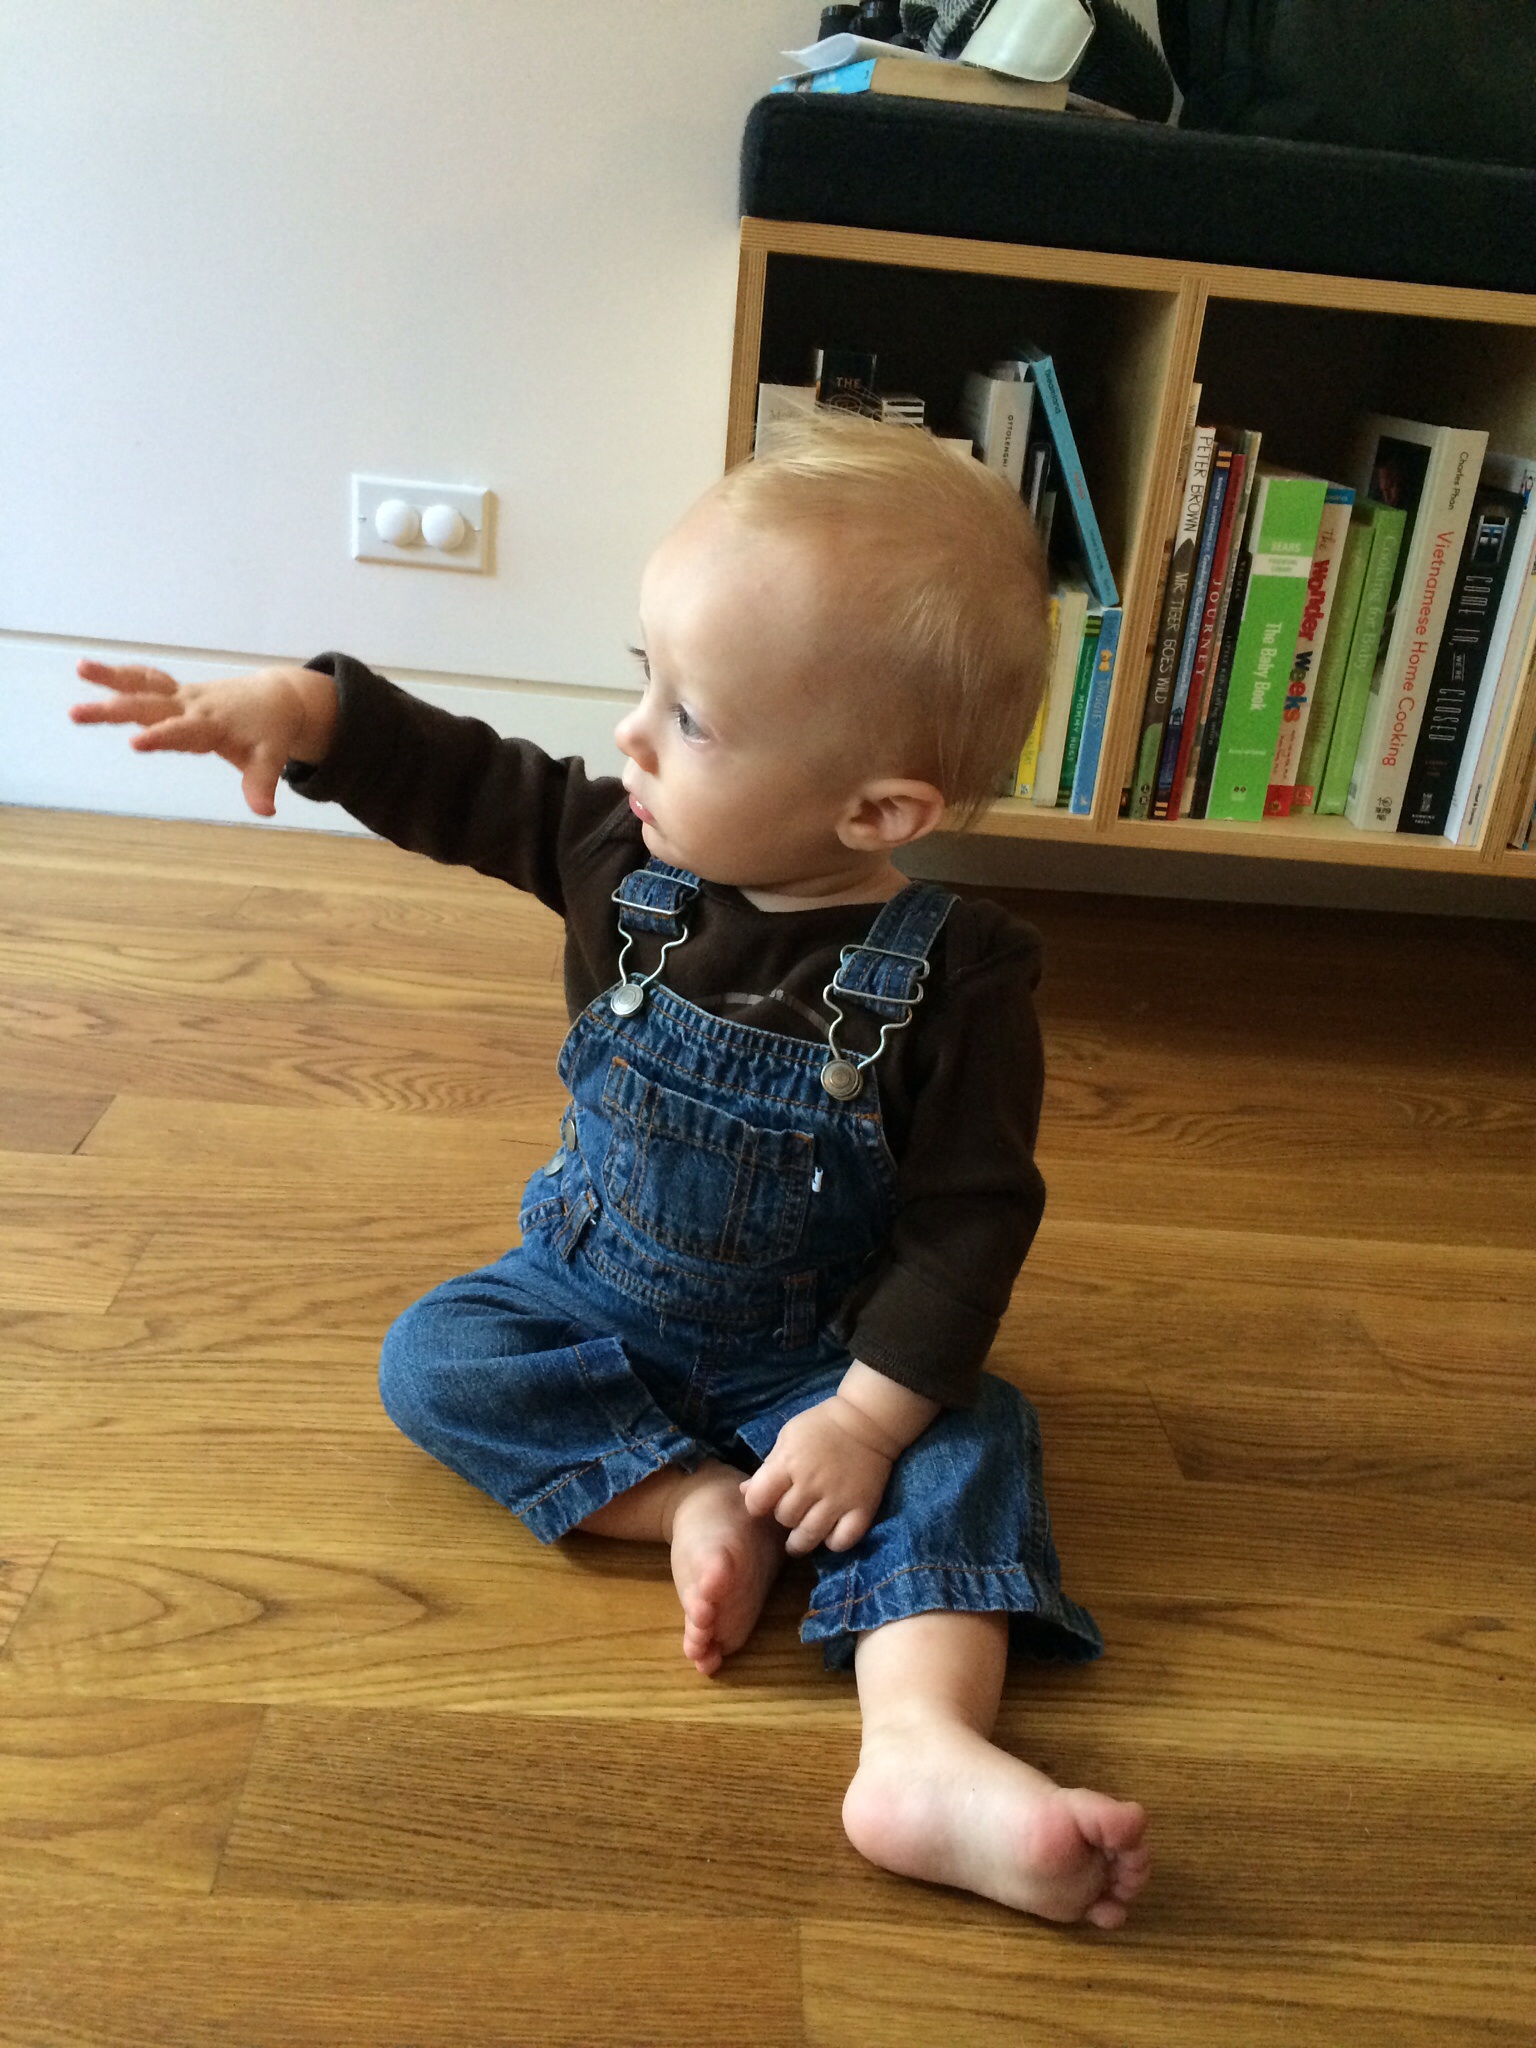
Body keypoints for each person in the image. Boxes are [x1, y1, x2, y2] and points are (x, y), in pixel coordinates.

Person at [70, 412, 1150, 1927]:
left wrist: (866, 1416)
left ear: (878, 811)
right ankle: (690, 1499)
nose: (631, 736)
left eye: (689, 718)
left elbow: (971, 1226)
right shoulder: (620, 860)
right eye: (642, 677)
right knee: (434, 1357)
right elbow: (471, 781)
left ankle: (922, 1749)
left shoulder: (958, 979)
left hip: (818, 1356)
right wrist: (310, 713)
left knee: (971, 1445)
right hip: (589, 1295)